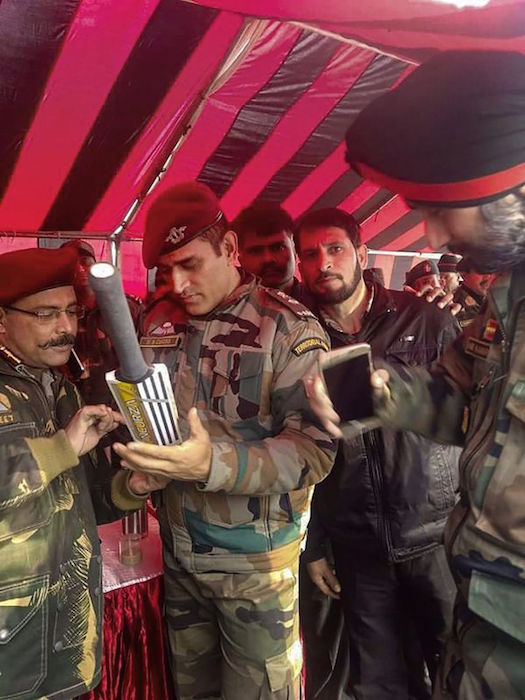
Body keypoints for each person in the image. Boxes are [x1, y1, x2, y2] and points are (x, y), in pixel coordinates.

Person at [312, 50, 525, 698]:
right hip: (485, 613)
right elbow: (465, 402)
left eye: (440, 208)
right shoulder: (507, 301)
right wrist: (381, 392)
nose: (432, 232)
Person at [114, 181, 336, 700]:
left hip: (254, 569)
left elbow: (313, 450)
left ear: (231, 249)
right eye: (165, 270)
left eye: (190, 264)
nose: (178, 282)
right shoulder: (159, 322)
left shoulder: (287, 328)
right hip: (179, 557)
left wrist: (208, 463)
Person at [295, 207, 460, 700]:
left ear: (361, 254)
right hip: (358, 547)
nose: (323, 262)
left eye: (335, 248)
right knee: (379, 682)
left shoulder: (426, 318)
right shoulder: (299, 338)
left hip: (434, 537)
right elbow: (307, 449)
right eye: (309, 254)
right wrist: (318, 544)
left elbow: (465, 417)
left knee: (456, 670)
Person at [0, 247, 152, 700]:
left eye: (71, 312)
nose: (66, 328)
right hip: (11, 644)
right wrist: (62, 447)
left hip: (66, 635)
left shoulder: (60, 386)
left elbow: (79, 498)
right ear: (1, 320)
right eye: (46, 314)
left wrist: (131, 487)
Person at [60, 239, 142, 406]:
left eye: (85, 262)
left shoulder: (124, 307)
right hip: (78, 400)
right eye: (72, 264)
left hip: (121, 400)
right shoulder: (62, 313)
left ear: (95, 265)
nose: (80, 269)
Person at [233, 201, 312, 305]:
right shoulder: (225, 313)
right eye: (256, 251)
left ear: (294, 248)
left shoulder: (324, 307)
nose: (268, 258)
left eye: (278, 247)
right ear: (240, 259)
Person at [453, 257, 495, 328]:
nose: (488, 277)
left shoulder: (492, 301)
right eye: (482, 271)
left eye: (492, 271)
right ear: (463, 274)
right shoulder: (455, 305)